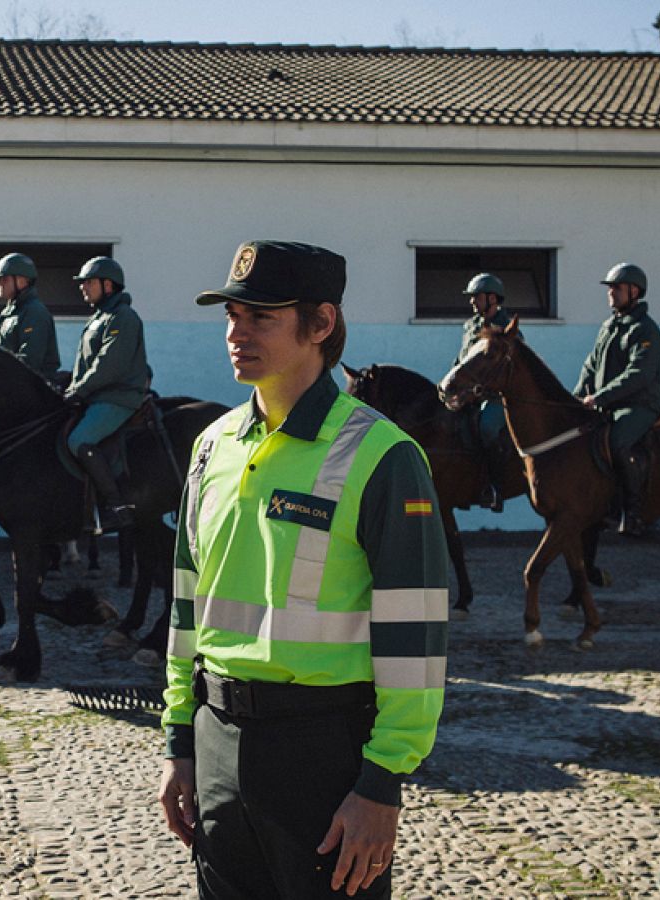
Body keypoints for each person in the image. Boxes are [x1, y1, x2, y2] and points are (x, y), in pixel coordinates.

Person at [158, 241, 448, 899]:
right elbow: (186, 605)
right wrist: (180, 741)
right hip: (216, 741)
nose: (236, 333)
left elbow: (416, 636)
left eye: (261, 317)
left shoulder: (384, 456)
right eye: (231, 315)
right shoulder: (211, 448)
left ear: (320, 324)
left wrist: (382, 783)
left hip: (323, 756)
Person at [573, 262, 660, 537]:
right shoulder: (609, 326)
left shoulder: (646, 330)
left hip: (640, 404)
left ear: (634, 291)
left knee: (617, 441)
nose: (610, 292)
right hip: (609, 404)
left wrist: (600, 397)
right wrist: (576, 397)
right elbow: (591, 365)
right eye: (609, 288)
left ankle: (632, 512)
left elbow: (639, 374)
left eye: (616, 287)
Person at [64, 255, 149, 533]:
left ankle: (115, 507)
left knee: (79, 439)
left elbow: (109, 363)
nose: (83, 287)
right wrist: (70, 387)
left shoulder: (123, 317)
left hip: (118, 397)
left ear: (108, 285)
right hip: (96, 395)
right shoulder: (100, 317)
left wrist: (79, 390)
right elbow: (86, 363)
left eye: (89, 282)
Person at [454, 272, 514, 512]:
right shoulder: (471, 326)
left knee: (487, 427)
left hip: (496, 398)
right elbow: (461, 361)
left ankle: (496, 487)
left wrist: (480, 391)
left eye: (476, 297)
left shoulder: (507, 329)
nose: (471, 301)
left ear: (492, 298)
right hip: (468, 396)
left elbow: (510, 371)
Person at [0, 252, 60, 384]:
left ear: (22, 281)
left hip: (34, 386)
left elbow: (30, 360)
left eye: (4, 279)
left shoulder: (34, 312)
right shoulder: (9, 311)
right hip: (12, 383)